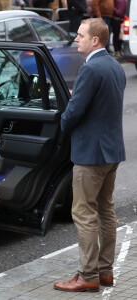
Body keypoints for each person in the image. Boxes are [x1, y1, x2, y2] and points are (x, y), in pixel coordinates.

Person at [53, 18, 126, 292]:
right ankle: (105, 272)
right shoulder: (114, 66)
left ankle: (88, 275)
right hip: (112, 150)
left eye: (80, 35)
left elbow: (73, 113)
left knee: (84, 212)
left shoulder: (90, 69)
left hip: (90, 153)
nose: (76, 39)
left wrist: (61, 123)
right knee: (106, 210)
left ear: (95, 40)